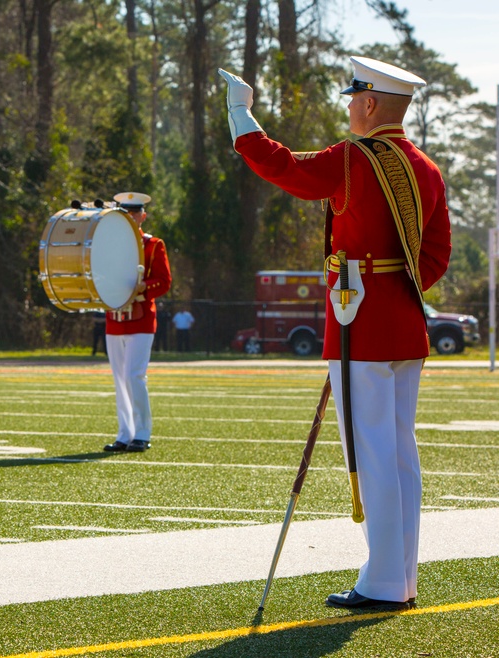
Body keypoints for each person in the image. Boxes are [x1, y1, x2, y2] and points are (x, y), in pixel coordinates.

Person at [219, 56, 451, 609]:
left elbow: (287, 169)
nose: (349, 106)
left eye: (354, 98)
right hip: (403, 323)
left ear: (371, 104)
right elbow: (434, 258)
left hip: (360, 324)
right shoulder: (427, 167)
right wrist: (393, 285)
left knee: (373, 454)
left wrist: (240, 113)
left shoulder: (354, 158)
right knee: (398, 454)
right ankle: (400, 576)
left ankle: (385, 582)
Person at [102, 192, 172, 454]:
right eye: (126, 213)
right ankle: (124, 434)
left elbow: (164, 282)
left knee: (134, 376)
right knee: (120, 379)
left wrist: (142, 289)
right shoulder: (107, 245)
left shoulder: (153, 244)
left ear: (143, 215)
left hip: (141, 318)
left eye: (135, 213)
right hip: (115, 319)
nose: (130, 217)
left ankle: (141, 433)